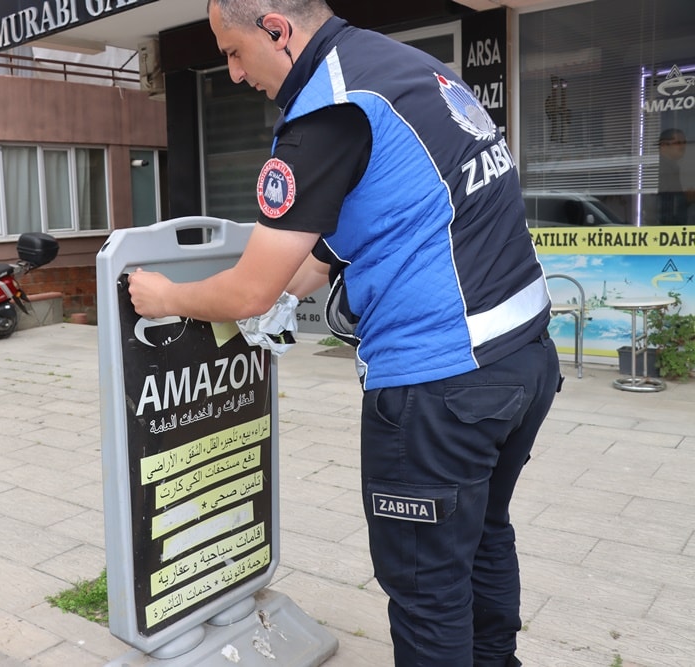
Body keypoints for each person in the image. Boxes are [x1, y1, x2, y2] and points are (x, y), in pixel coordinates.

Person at [128, 2, 562, 665]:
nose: (236, 75)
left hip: (441, 384)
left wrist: (166, 296)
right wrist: (298, 277)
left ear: (277, 28)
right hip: (525, 357)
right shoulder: (398, 69)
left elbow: (251, 288)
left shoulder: (326, 113)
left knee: (426, 586)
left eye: (236, 51)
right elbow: (387, 207)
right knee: (479, 537)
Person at [657, 128, 694, 225]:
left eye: (684, 142)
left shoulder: (672, 167)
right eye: (678, 142)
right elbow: (663, 201)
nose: (683, 146)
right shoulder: (660, 168)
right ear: (663, 146)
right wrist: (687, 197)